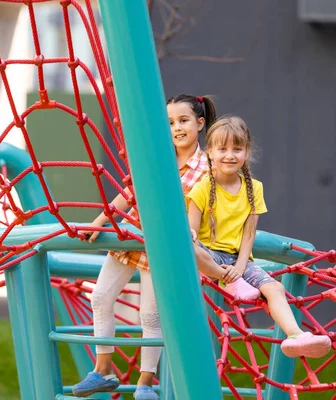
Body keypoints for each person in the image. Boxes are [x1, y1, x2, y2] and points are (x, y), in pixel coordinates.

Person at [73, 94, 226, 400]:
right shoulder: (160, 156)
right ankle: (102, 369)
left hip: (164, 245)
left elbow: (211, 205)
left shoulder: (208, 167)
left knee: (150, 316)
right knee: (101, 296)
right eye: (170, 123)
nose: (177, 128)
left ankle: (145, 383)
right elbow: (131, 191)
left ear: (199, 123)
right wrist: (101, 219)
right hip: (133, 236)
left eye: (183, 121)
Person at [186, 116, 332, 359]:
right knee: (188, 247)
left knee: (274, 287)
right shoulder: (202, 188)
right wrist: (225, 272)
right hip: (208, 256)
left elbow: (249, 233)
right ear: (210, 152)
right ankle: (229, 280)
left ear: (247, 151)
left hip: (236, 259)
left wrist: (241, 266)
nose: (229, 155)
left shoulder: (254, 188)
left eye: (237, 149)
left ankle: (295, 335)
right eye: (222, 149)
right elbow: (191, 231)